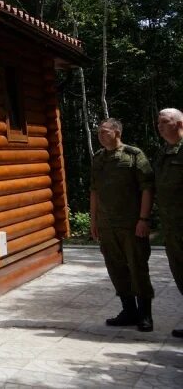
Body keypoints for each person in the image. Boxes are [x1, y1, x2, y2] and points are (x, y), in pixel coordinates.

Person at [90, 118, 154, 332]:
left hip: (131, 224)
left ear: (117, 132)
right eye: (98, 132)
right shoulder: (98, 158)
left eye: (104, 131)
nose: (100, 135)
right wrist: (94, 220)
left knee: (137, 268)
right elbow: (94, 191)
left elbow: (147, 188)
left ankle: (145, 315)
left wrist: (143, 219)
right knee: (115, 268)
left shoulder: (134, 155)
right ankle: (129, 311)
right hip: (107, 225)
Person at [154, 108, 183, 338]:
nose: (159, 126)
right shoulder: (164, 152)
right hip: (172, 229)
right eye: (158, 122)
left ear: (179, 123)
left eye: (164, 122)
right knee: (179, 273)